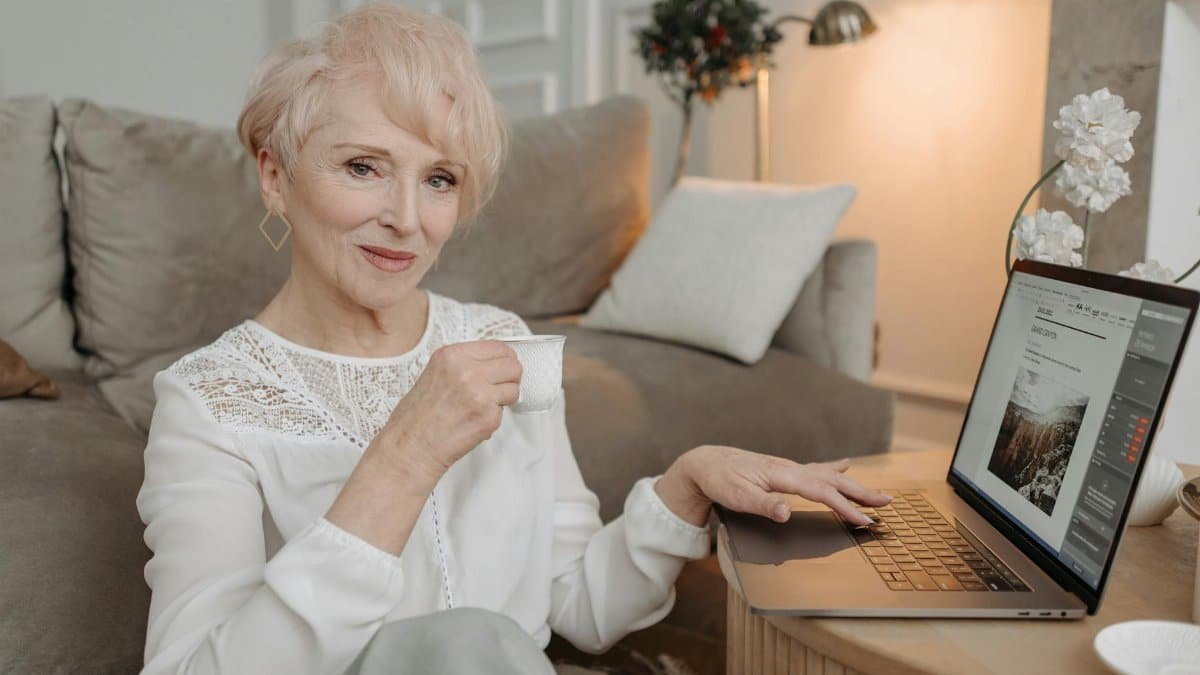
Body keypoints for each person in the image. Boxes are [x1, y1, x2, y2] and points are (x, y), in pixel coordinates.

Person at [134, 4, 891, 674]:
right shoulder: (210, 400)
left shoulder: (497, 341)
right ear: (274, 175)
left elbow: (579, 605)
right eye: (364, 167)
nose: (407, 217)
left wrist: (683, 484)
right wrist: (404, 456)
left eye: (440, 179)